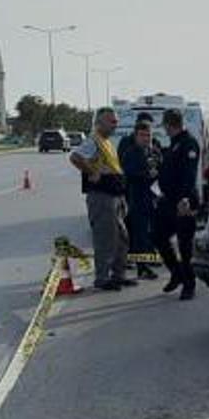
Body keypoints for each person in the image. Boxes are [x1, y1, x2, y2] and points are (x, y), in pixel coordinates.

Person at [69, 107, 134, 291]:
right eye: (112, 121)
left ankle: (118, 275)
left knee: (122, 238)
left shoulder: (107, 142)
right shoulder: (94, 141)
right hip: (102, 197)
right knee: (106, 239)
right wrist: (92, 171)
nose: (116, 124)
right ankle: (102, 278)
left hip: (114, 196)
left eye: (116, 121)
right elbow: (75, 157)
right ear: (100, 123)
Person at [154, 108, 200, 300]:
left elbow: (189, 175)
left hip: (183, 202)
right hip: (168, 201)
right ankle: (177, 273)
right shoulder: (173, 144)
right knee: (157, 236)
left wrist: (184, 200)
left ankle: (189, 284)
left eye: (164, 125)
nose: (163, 128)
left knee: (185, 245)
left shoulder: (188, 143)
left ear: (168, 124)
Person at [121, 121, 162, 280]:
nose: (146, 138)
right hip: (137, 197)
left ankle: (148, 261)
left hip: (154, 198)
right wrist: (146, 175)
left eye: (148, 135)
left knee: (151, 233)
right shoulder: (131, 153)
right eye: (143, 135)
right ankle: (142, 267)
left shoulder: (154, 151)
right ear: (136, 136)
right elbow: (128, 174)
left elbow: (161, 169)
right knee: (140, 234)